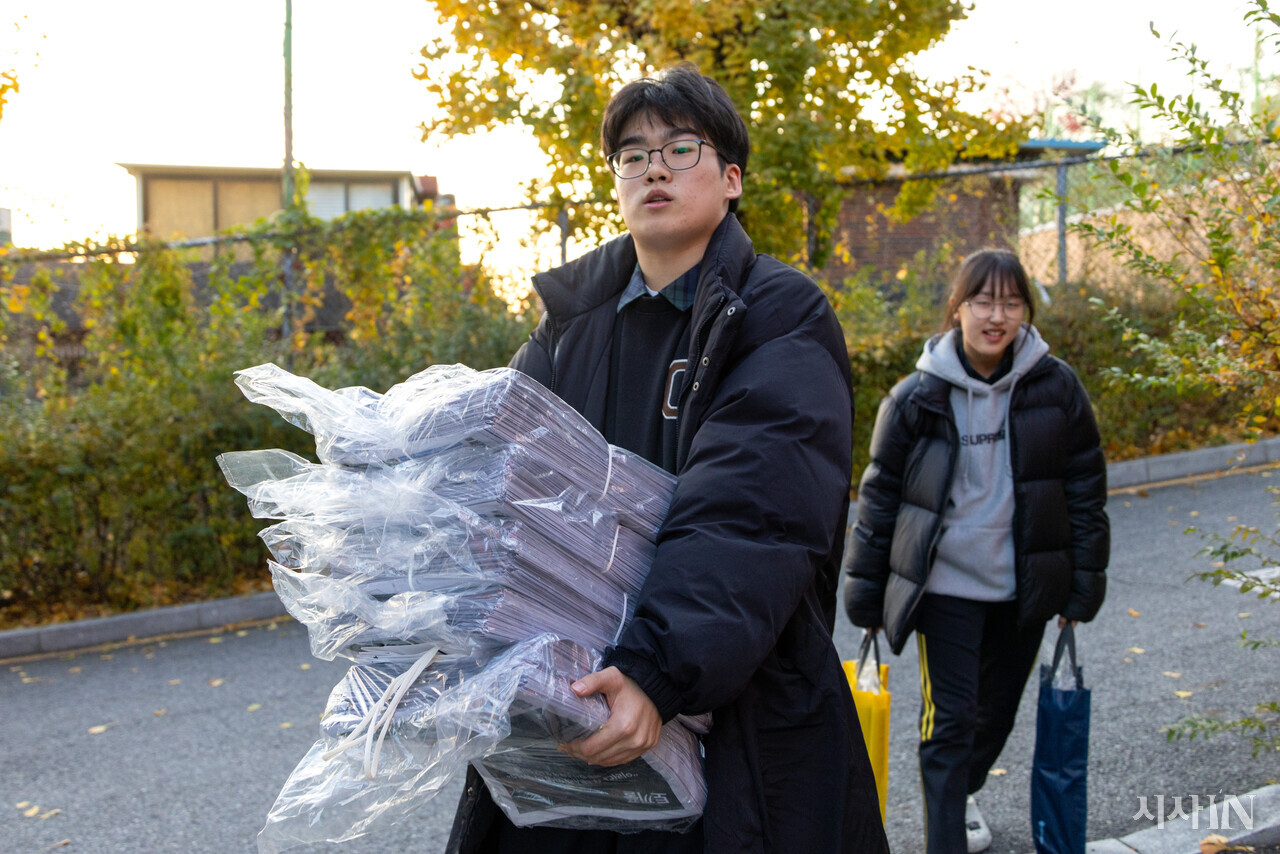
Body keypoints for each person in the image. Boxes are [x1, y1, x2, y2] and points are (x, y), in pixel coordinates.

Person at [446, 63, 889, 854]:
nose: (653, 166)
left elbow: (754, 511)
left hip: (733, 718)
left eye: (682, 148)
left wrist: (656, 665)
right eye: (632, 153)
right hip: (570, 708)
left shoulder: (779, 315)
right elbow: (493, 488)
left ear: (731, 179)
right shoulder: (566, 328)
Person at [842, 248, 1110, 854]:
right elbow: (880, 499)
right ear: (958, 309)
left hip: (1026, 587)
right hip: (946, 589)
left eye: (1011, 302)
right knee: (951, 724)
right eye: (984, 301)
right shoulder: (915, 398)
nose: (997, 315)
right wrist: (864, 598)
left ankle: (963, 793)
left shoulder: (1057, 387)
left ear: (1025, 312)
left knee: (995, 719)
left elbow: (1085, 488)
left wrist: (1082, 586)